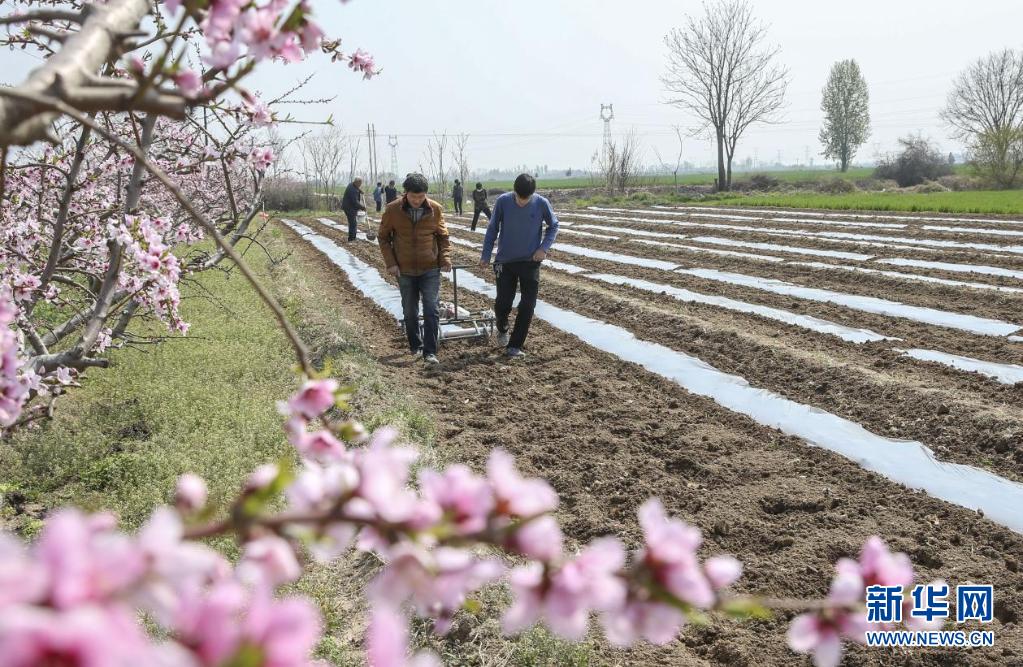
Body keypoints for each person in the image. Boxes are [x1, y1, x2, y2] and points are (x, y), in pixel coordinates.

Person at [479, 173, 558, 359]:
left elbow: (553, 226)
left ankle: (515, 346)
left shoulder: (541, 203)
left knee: (528, 305)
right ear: (514, 191)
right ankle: (502, 326)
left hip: (530, 262)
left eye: (526, 198)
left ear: (532, 194)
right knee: (503, 303)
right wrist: (485, 255)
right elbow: (492, 229)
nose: (522, 202)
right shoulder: (503, 202)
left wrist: (543, 248)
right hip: (505, 262)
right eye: (519, 198)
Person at [377, 173, 451, 366]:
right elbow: (383, 237)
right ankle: (415, 345)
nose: (417, 201)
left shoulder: (435, 209)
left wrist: (445, 259)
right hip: (405, 269)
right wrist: (391, 263)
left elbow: (443, 237)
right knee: (410, 311)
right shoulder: (393, 210)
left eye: (421, 197)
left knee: (431, 309)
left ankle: (430, 352)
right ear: (405, 194)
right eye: (413, 197)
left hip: (430, 268)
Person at [341, 177, 366, 242]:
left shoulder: (352, 184)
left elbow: (356, 188)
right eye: (360, 184)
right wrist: (362, 207)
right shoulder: (352, 190)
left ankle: (353, 238)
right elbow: (355, 202)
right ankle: (351, 239)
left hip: (349, 207)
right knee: (353, 223)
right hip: (349, 208)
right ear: (357, 182)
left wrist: (360, 191)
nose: (360, 185)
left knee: (353, 223)